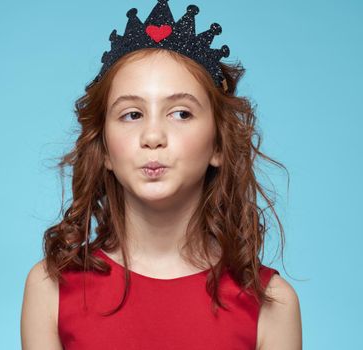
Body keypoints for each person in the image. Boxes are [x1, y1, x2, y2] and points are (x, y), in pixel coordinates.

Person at [21, 1, 302, 349]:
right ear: (105, 148)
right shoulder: (50, 289)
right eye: (132, 114)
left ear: (218, 144)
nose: (153, 137)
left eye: (181, 113)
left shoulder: (273, 304)